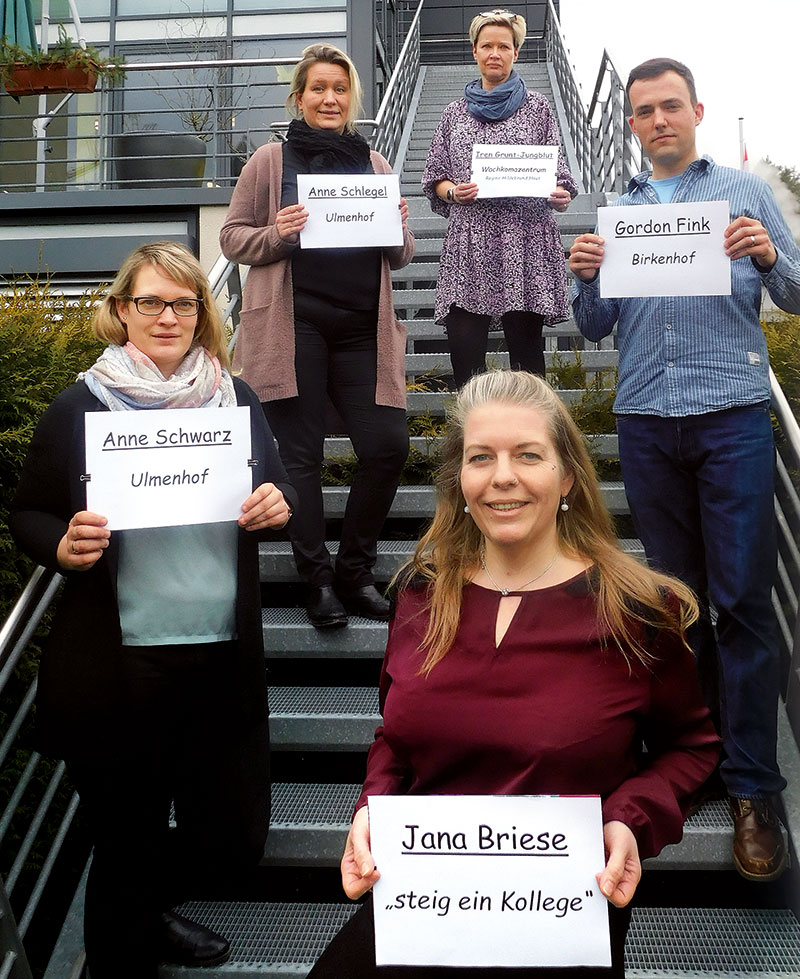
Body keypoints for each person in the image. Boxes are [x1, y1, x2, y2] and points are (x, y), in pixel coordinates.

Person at [306, 370, 719, 979]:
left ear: (567, 476)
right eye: (481, 458)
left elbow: (692, 747)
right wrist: (374, 808)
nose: (503, 476)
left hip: (563, 918)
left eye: (528, 455)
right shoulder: (420, 595)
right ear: (460, 481)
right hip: (425, 906)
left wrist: (629, 817)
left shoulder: (636, 609)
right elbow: (395, 737)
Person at [9, 241, 297, 979]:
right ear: (121, 311)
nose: (167, 316)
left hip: (218, 654)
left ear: (202, 312)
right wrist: (62, 544)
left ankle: (148, 908)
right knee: (125, 832)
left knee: (227, 832)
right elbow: (31, 512)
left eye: (183, 302)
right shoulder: (81, 405)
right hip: (118, 661)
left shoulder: (235, 400)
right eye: (150, 302)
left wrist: (278, 503)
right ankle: (127, 944)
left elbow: (280, 491)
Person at [569, 58, 800, 883]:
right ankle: (693, 758)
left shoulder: (742, 191)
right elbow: (594, 326)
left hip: (733, 414)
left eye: (671, 106)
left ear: (696, 110)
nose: (657, 120)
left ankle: (753, 788)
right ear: (630, 123)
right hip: (646, 422)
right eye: (643, 111)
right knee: (677, 603)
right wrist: (585, 276)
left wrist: (772, 254)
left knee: (740, 600)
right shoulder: (620, 210)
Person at [220, 43, 415, 630]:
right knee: (298, 457)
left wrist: (398, 229)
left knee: (386, 447)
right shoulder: (270, 162)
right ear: (299, 97)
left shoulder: (376, 164)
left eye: (339, 89)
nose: (329, 98)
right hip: (294, 324)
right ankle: (319, 579)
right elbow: (232, 238)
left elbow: (399, 257)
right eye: (318, 89)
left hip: (363, 330)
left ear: (350, 97)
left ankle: (357, 570)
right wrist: (277, 234)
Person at [421, 9, 578, 387]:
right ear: (474, 51)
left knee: (526, 356)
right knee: (465, 353)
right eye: (487, 45)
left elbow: (560, 176)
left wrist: (560, 194)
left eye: (503, 46)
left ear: (516, 53)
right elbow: (435, 177)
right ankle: (472, 437)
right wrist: (454, 192)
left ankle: (529, 438)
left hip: (523, 239)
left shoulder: (539, 107)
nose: (495, 53)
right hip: (470, 242)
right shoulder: (453, 114)